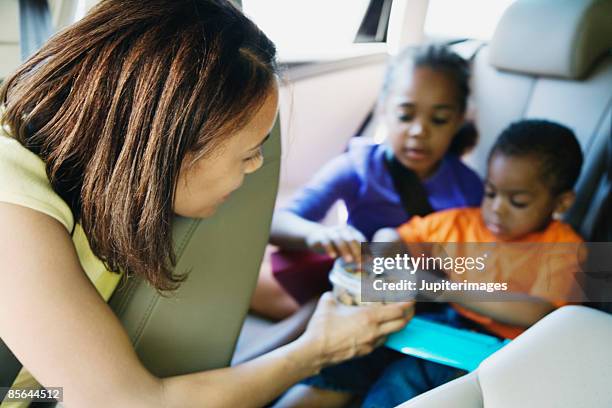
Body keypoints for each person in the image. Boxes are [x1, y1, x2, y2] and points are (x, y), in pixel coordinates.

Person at [0, 1, 414, 407]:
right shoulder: (11, 212)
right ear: (170, 146)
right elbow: (130, 403)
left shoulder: (92, 186)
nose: (256, 167)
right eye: (248, 153)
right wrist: (315, 350)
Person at [280, 119, 584, 407]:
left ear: (561, 203)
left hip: (501, 350)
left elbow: (538, 310)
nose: (496, 210)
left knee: (404, 380)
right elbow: (397, 237)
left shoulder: (565, 248)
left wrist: (442, 288)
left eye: (517, 201)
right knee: (352, 355)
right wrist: (383, 255)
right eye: (490, 193)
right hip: (443, 325)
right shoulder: (462, 224)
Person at [253, 44, 485, 319]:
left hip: (422, 299)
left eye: (439, 119)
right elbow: (278, 223)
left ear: (459, 120)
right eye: (405, 115)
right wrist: (320, 235)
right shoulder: (359, 167)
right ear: (384, 108)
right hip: (352, 285)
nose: (419, 131)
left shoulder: (469, 188)